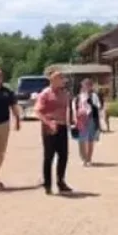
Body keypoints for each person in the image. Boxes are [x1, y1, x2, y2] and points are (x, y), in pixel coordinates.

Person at [35, 67, 72, 195]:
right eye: (59, 77)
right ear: (52, 80)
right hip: (49, 127)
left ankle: (61, 182)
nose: (62, 80)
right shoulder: (45, 93)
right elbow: (38, 111)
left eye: (62, 77)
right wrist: (48, 122)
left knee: (63, 155)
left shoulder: (64, 94)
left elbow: (68, 109)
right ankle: (47, 184)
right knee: (49, 156)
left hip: (62, 127)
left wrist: (71, 121)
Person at [73, 78, 103, 166]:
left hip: (91, 119)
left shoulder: (94, 96)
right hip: (81, 120)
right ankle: (83, 158)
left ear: (91, 86)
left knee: (90, 140)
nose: (86, 87)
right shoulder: (78, 97)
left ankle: (89, 159)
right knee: (81, 140)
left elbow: (98, 107)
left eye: (89, 85)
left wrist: (90, 103)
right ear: (82, 86)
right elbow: (74, 108)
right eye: (85, 85)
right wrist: (75, 119)